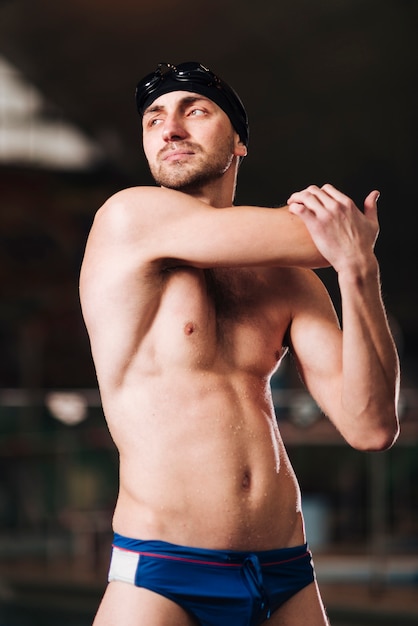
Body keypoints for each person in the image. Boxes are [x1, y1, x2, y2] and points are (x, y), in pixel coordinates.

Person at [79, 62, 400, 626]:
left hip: (285, 571)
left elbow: (371, 425)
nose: (170, 128)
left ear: (240, 143)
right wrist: (351, 247)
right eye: (154, 118)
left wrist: (360, 276)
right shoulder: (128, 219)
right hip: (163, 572)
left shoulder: (290, 281)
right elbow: (326, 236)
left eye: (194, 110)